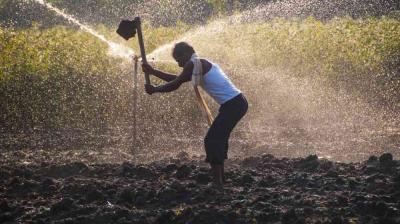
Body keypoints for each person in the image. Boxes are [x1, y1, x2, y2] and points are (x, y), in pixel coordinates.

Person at [142, 42, 248, 187]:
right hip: (235, 103)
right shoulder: (198, 63)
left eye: (179, 60)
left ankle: (218, 182)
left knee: (212, 140)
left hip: (233, 105)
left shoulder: (194, 64)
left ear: (186, 53)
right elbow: (178, 79)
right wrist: (153, 72)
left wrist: (155, 89)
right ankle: (221, 179)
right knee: (218, 139)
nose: (179, 64)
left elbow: (175, 84)